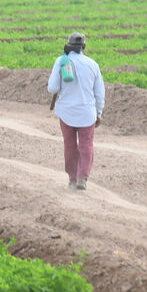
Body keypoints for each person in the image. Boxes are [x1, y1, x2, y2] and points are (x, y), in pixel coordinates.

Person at [47, 31, 105, 190]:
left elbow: (52, 88)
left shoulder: (61, 61)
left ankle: (72, 178)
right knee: (87, 145)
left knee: (70, 145)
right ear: (84, 46)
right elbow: (99, 94)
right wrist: (99, 113)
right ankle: (82, 178)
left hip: (66, 112)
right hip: (87, 113)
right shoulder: (93, 64)